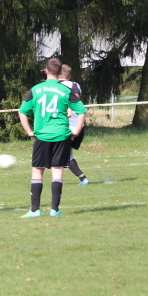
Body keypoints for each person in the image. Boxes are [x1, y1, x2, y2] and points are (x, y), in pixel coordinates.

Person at [18, 58, 87, 218]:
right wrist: (76, 131)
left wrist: (29, 131)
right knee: (57, 169)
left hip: (42, 135)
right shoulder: (66, 90)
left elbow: (22, 112)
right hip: (61, 134)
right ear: (60, 71)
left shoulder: (36, 89)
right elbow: (81, 110)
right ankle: (54, 210)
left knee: (37, 170)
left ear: (46, 71)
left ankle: (35, 210)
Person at [58, 64, 89, 185]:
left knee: (61, 155)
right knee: (63, 154)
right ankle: (82, 178)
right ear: (69, 76)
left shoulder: (55, 86)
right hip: (79, 126)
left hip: (66, 127)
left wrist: (68, 109)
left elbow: (72, 99)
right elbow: (76, 97)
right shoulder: (75, 85)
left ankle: (83, 178)